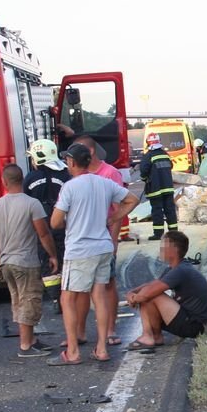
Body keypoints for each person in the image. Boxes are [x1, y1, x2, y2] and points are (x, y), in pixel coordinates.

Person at [49, 143, 138, 366]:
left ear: (71, 162)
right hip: (103, 246)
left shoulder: (69, 187)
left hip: (79, 249)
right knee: (99, 296)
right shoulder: (104, 183)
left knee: (67, 298)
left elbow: (56, 222)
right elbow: (132, 199)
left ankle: (72, 351)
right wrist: (114, 218)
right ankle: (101, 348)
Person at [0, 164, 59, 358]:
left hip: (6, 261)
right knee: (30, 300)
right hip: (26, 261)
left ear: (4, 182)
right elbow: (43, 233)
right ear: (22, 180)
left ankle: (31, 340)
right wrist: (52, 255)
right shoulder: (32, 204)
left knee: (17, 300)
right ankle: (26, 345)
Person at [125, 230, 207, 349]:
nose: (160, 250)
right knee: (149, 292)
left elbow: (148, 293)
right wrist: (132, 293)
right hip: (189, 320)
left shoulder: (180, 270)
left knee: (151, 295)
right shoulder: (174, 268)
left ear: (173, 249)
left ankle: (147, 336)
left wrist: (135, 298)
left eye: (163, 246)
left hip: (194, 326)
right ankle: (156, 337)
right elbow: (151, 284)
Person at [76, 134, 126, 346]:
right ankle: (80, 332)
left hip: (104, 238)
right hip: (84, 240)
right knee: (83, 288)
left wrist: (113, 241)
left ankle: (110, 329)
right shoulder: (77, 175)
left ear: (91, 152)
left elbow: (120, 208)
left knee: (107, 284)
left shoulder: (110, 174)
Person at [23, 139, 70, 313]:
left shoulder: (30, 177)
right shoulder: (65, 174)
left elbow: (26, 200)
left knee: (48, 262)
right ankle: (68, 296)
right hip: (64, 223)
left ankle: (56, 298)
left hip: (41, 225)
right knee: (66, 259)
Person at [140, 132, 178, 240]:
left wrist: (145, 179)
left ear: (148, 143)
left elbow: (143, 171)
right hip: (168, 187)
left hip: (155, 189)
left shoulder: (148, 156)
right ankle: (173, 233)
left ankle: (158, 234)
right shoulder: (165, 154)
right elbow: (170, 166)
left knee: (157, 211)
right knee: (170, 210)